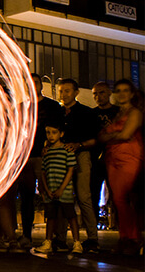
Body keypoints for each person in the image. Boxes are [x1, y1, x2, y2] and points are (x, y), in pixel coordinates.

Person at [97, 79, 143, 255]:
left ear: (131, 94)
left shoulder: (135, 112)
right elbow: (102, 136)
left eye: (125, 90)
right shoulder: (118, 113)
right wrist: (112, 136)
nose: (122, 93)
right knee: (118, 200)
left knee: (123, 198)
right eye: (118, 90)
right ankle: (126, 237)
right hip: (113, 158)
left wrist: (110, 135)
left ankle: (133, 238)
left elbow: (125, 134)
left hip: (129, 158)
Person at [17, 73, 63, 248]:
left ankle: (55, 237)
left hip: (47, 156)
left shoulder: (52, 106)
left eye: (35, 82)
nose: (32, 85)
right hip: (27, 157)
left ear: (40, 85)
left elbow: (58, 128)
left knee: (52, 196)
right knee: (26, 197)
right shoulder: (21, 107)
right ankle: (26, 235)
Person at [57, 78, 102, 252]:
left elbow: (94, 139)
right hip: (61, 158)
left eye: (67, 91)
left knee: (84, 197)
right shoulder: (58, 112)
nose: (64, 94)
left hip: (81, 156)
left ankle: (92, 238)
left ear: (76, 93)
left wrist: (79, 145)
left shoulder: (86, 113)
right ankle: (60, 238)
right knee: (62, 197)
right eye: (61, 91)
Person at [34, 121, 80, 254]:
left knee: (70, 215)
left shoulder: (67, 150)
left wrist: (62, 188)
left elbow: (70, 170)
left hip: (64, 191)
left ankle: (77, 242)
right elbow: (43, 172)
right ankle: (48, 241)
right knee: (51, 216)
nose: (51, 136)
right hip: (51, 190)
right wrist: (46, 189)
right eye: (48, 133)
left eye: (54, 132)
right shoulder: (46, 153)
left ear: (61, 134)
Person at [90, 81, 119, 227]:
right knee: (93, 193)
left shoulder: (118, 112)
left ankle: (116, 224)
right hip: (96, 159)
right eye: (95, 93)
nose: (98, 96)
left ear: (109, 93)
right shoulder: (91, 114)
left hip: (114, 158)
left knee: (116, 194)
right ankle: (93, 224)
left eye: (101, 92)